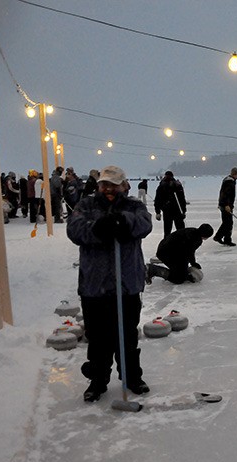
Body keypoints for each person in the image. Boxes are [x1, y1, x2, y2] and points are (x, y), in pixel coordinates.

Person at [66, 165, 153, 402]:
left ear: (125, 186)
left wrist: (123, 222)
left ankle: (131, 377)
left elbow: (145, 223)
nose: (108, 190)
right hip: (95, 286)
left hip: (126, 285)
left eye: (114, 185)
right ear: (98, 186)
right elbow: (74, 229)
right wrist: (98, 227)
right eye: (104, 185)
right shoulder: (86, 206)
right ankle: (98, 381)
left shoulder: (134, 206)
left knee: (127, 335)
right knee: (98, 338)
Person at [146, 223, 214, 284]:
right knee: (178, 279)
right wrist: (187, 272)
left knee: (181, 272)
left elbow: (187, 253)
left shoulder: (193, 231)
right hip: (166, 253)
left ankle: (157, 270)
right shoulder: (195, 239)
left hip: (166, 250)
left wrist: (191, 264)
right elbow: (187, 253)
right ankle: (153, 270)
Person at [154, 171, 187, 238]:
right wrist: (183, 210)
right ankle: (182, 244)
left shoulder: (162, 185)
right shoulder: (177, 185)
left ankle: (166, 244)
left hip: (167, 210)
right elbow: (182, 199)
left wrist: (158, 211)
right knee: (180, 230)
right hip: (177, 210)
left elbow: (157, 199)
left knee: (167, 231)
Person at [213, 167, 237, 246]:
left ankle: (226, 239)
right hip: (226, 206)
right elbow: (226, 195)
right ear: (235, 174)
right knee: (228, 223)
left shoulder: (229, 181)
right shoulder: (229, 182)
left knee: (227, 222)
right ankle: (220, 237)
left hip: (225, 205)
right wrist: (226, 205)